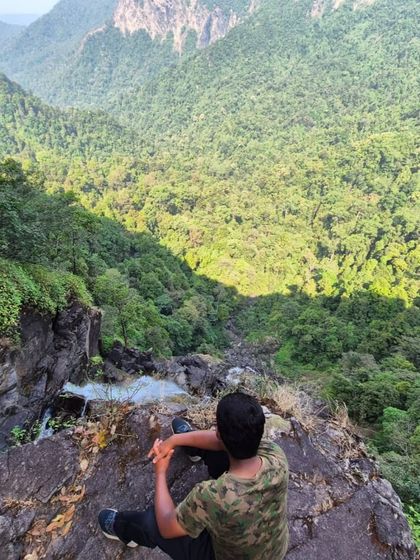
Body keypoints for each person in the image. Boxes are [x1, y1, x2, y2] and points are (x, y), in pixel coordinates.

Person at [98, 392, 289, 560]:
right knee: (231, 450)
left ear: (219, 433)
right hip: (274, 550)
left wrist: (161, 471)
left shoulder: (214, 496)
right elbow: (224, 441)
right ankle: (193, 448)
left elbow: (167, 526)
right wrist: (174, 440)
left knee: (152, 521)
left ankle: (122, 528)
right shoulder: (276, 456)